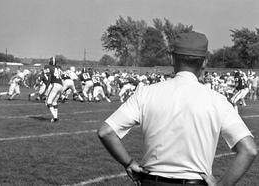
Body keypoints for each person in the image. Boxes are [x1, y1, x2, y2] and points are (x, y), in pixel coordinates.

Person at [98, 31, 257, 186]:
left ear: (172, 58)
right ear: (205, 61)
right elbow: (249, 150)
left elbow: (106, 131)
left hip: (151, 181)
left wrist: (129, 163)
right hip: (194, 182)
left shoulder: (146, 93)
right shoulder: (217, 101)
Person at [43, 57, 63, 123]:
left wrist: (46, 87)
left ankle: (55, 117)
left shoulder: (48, 67)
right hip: (61, 85)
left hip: (55, 85)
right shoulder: (59, 68)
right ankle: (56, 117)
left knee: (48, 102)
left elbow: (49, 78)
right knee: (54, 102)